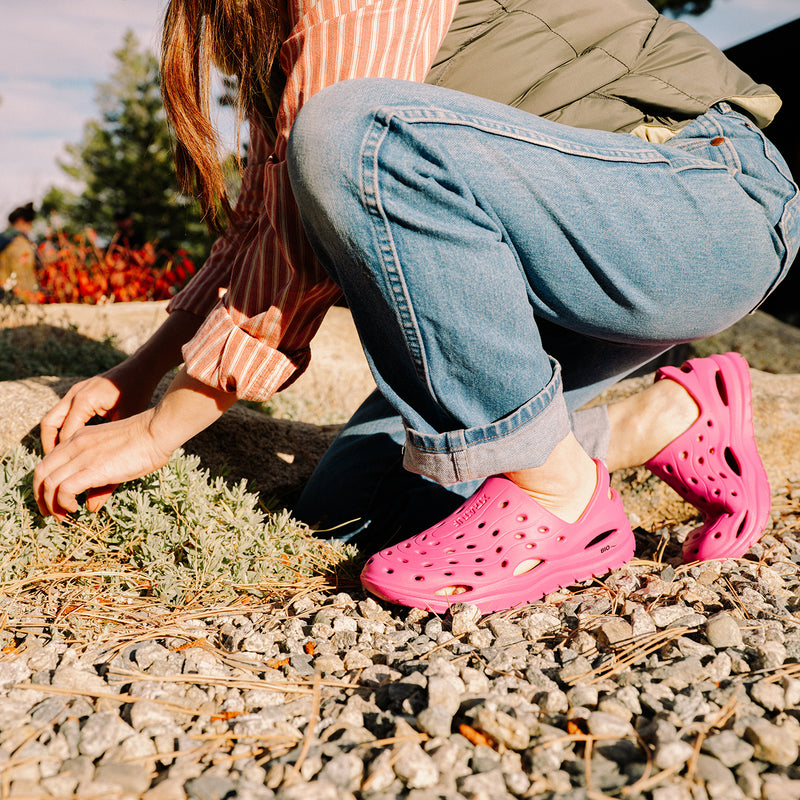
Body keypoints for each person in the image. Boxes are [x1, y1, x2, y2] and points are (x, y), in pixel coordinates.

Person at [34, 0, 799, 614]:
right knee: (363, 503)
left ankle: (559, 498)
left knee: (352, 132)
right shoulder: (277, 22)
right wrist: (136, 376)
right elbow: (264, 231)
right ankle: (668, 422)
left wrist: (162, 431)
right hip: (547, 268)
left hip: (696, 203)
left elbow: (334, 188)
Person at [0, 202, 38, 295]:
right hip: (8, 291)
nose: (29, 228)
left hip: (21, 292)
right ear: (20, 221)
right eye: (29, 224)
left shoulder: (26, 242)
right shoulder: (7, 238)